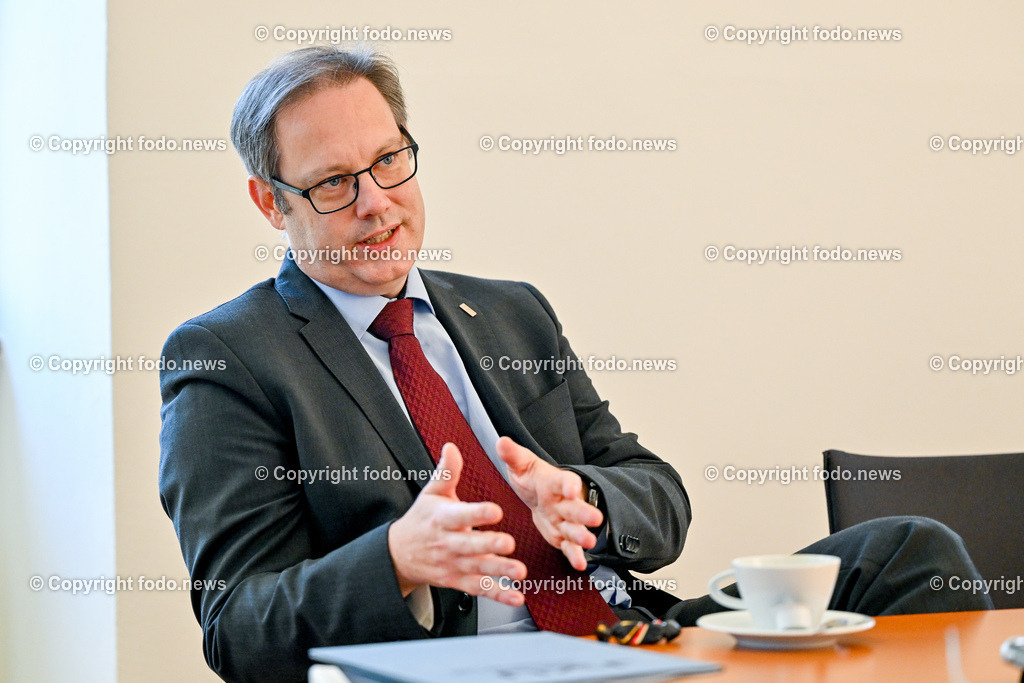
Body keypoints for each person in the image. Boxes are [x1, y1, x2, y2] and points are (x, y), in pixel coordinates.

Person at [158, 46, 991, 683]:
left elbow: (659, 497)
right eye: (335, 182)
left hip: (631, 637)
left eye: (389, 161)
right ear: (271, 201)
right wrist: (398, 558)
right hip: (469, 665)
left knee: (911, 548)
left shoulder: (512, 310)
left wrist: (587, 497)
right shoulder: (229, 355)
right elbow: (239, 624)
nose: (378, 200)